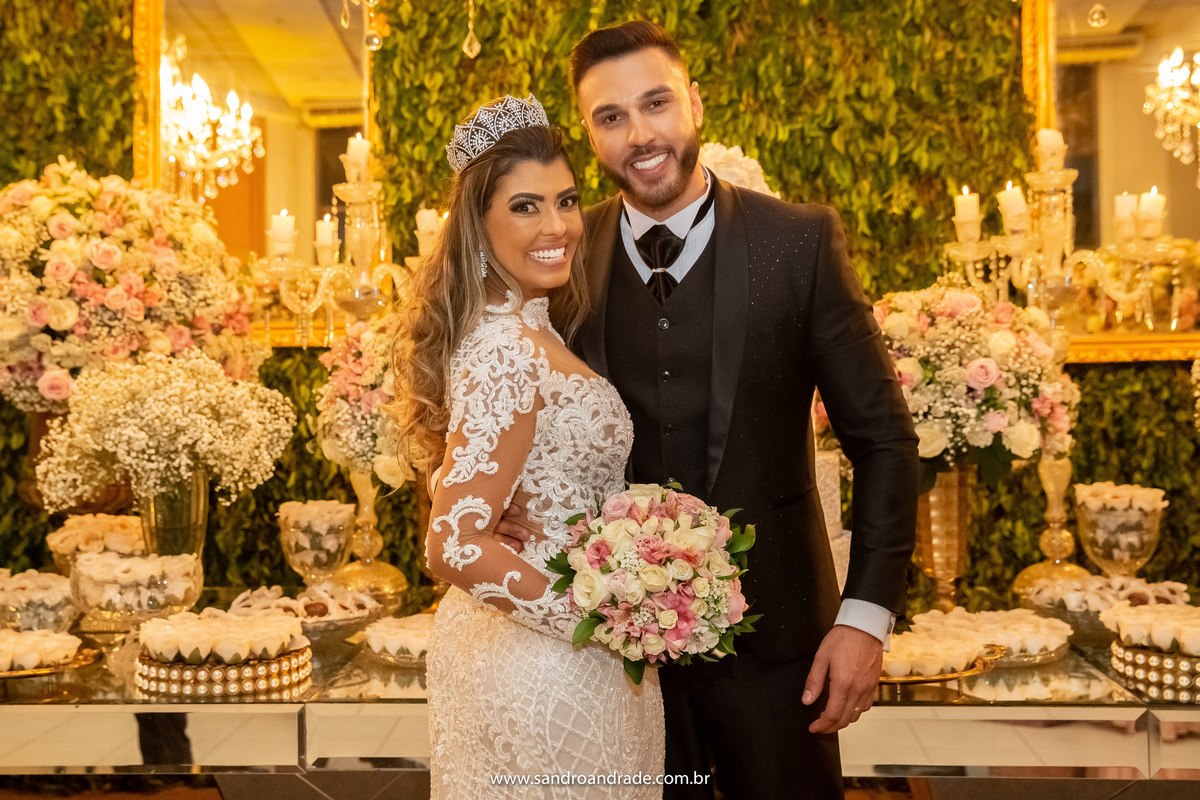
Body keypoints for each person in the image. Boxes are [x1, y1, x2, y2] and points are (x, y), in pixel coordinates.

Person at [561, 20, 919, 800]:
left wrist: (865, 619)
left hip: (783, 654)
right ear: (590, 135)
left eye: (656, 103)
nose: (640, 134)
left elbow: (884, 441)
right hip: (616, 660)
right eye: (611, 116)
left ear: (694, 103)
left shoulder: (799, 243)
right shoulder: (563, 261)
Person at [392, 95, 664, 799]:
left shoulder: (534, 331)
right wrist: (603, 622)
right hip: (547, 668)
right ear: (477, 224)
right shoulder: (507, 348)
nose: (557, 226)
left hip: (557, 655)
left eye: (566, 201)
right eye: (525, 207)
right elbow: (453, 545)